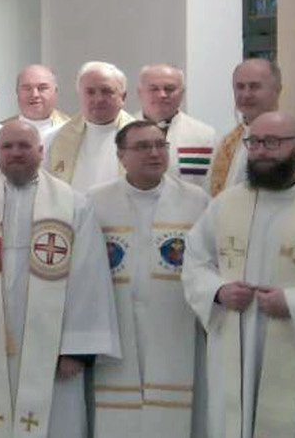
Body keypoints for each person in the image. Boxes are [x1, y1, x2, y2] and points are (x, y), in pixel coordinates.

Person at [183, 111, 295, 437]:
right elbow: (195, 260)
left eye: (272, 143)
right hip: (236, 343)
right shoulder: (225, 204)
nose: (260, 151)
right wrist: (218, 291)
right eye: (254, 142)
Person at [0, 119, 119, 438]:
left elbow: (89, 277)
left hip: (53, 344)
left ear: (41, 151)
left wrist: (76, 348)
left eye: (24, 146)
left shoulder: (73, 204)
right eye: (7, 146)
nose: (15, 153)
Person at [87, 120, 209, 437]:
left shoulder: (196, 201)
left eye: (160, 145)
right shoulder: (95, 201)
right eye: (142, 146)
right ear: (121, 155)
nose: (154, 153)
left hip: (174, 319)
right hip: (117, 319)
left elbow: (208, 264)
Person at [208, 58, 295, 195]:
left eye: (255, 86)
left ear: (277, 90)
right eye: (240, 87)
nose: (246, 94)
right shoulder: (227, 143)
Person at [44, 61, 136, 192]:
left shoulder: (143, 138)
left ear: (123, 97)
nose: (98, 99)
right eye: (90, 92)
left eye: (107, 91)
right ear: (80, 95)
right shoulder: (53, 138)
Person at [136, 63, 217, 190]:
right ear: (140, 92)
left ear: (182, 93)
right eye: (154, 89)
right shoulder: (122, 131)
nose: (162, 95)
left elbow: (211, 186)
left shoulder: (204, 136)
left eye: (169, 89)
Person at [4, 64, 70, 137]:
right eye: (27, 88)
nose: (34, 95)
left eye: (42, 88)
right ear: (17, 92)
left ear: (55, 91)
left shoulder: (72, 130)